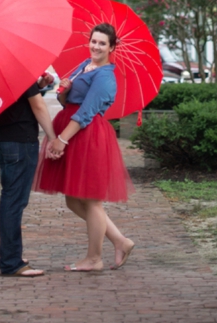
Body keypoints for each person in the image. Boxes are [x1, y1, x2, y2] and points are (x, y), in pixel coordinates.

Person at [33, 23, 135, 272]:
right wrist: (65, 92)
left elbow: (87, 112)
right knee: (73, 200)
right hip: (74, 132)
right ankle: (120, 241)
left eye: (102, 43)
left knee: (90, 201)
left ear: (112, 47)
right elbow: (67, 99)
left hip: (86, 136)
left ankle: (94, 258)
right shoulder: (84, 65)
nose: (96, 46)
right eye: (94, 41)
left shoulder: (105, 76)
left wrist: (61, 140)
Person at [0, 73, 56, 277]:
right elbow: (38, 107)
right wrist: (52, 138)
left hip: (2, 138)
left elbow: (15, 99)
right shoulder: (20, 71)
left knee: (10, 198)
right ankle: (11, 262)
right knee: (14, 200)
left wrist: (38, 86)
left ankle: (8, 255)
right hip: (20, 141)